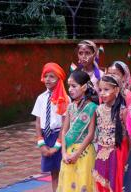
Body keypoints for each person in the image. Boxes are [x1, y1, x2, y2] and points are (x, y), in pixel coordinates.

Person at [57, 70, 98, 192]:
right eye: (69, 86)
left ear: (84, 87)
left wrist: (77, 153)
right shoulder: (70, 107)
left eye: (74, 86)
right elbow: (64, 131)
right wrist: (64, 153)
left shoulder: (92, 107)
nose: (70, 89)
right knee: (68, 185)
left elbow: (90, 135)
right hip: (68, 152)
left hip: (84, 152)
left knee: (83, 184)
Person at [32, 62, 69, 192]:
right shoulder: (41, 98)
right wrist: (41, 143)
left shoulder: (64, 99)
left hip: (59, 136)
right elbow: (38, 122)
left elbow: (65, 123)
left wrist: (57, 145)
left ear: (59, 79)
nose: (48, 79)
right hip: (46, 137)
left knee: (63, 170)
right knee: (53, 172)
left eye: (52, 76)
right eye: (46, 76)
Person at [93, 75, 127, 192]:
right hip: (101, 152)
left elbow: (129, 135)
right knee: (101, 183)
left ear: (116, 90)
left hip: (118, 152)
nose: (102, 93)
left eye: (106, 90)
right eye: (100, 90)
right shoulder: (98, 109)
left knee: (117, 182)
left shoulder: (123, 111)